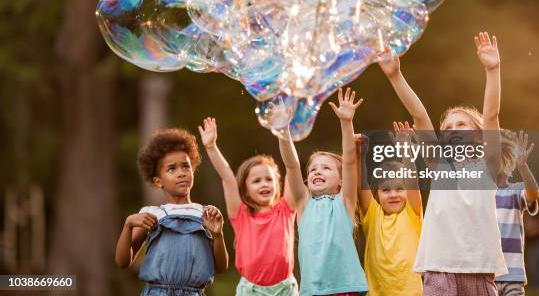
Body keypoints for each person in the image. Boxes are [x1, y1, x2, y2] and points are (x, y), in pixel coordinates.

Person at [379, 32, 507, 296]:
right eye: (447, 128)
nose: (454, 129)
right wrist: (395, 76)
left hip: (479, 269)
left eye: (462, 124)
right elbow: (419, 114)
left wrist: (492, 70)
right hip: (439, 269)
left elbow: (492, 115)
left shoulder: (488, 166)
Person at [115, 128, 229, 296]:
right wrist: (128, 225)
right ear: (158, 181)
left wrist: (218, 235)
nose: (181, 173)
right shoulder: (153, 214)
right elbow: (123, 261)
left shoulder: (205, 215)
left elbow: (221, 267)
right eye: (171, 169)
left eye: (186, 167)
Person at [278, 87, 368, 296]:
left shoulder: (344, 202)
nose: (317, 171)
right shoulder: (303, 204)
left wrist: (346, 123)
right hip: (313, 292)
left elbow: (348, 158)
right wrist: (283, 131)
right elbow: (291, 165)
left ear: (341, 180)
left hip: (346, 289)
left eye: (326, 168)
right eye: (312, 169)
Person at [199, 117, 299, 295]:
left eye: (269, 179)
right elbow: (228, 178)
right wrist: (211, 147)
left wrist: (284, 133)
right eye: (256, 181)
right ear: (245, 189)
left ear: (277, 184)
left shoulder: (286, 210)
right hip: (251, 290)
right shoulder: (241, 214)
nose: (264, 184)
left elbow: (292, 167)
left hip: (285, 290)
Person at [356, 123, 423, 296]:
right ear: (376, 194)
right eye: (386, 190)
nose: (393, 194)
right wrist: (359, 154)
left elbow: (412, 181)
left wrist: (406, 149)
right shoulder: (372, 215)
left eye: (400, 189)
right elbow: (361, 183)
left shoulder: (412, 213)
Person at [495, 130, 539, 296]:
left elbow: (533, 194)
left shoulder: (516, 191)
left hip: (513, 276)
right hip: (485, 275)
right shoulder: (480, 195)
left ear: (508, 161)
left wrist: (523, 166)